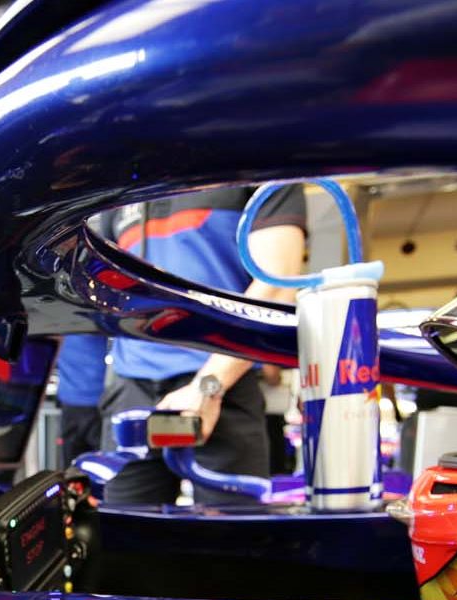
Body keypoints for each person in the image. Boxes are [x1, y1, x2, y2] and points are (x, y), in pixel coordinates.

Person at [98, 187, 306, 505]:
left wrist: (210, 385)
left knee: (230, 544)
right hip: (132, 392)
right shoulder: (121, 187)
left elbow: (277, 284)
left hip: (223, 383)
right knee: (123, 540)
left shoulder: (258, 163)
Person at [54, 334, 107, 466]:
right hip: (97, 405)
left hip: (77, 405)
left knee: (71, 472)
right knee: (103, 468)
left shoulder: (62, 328)